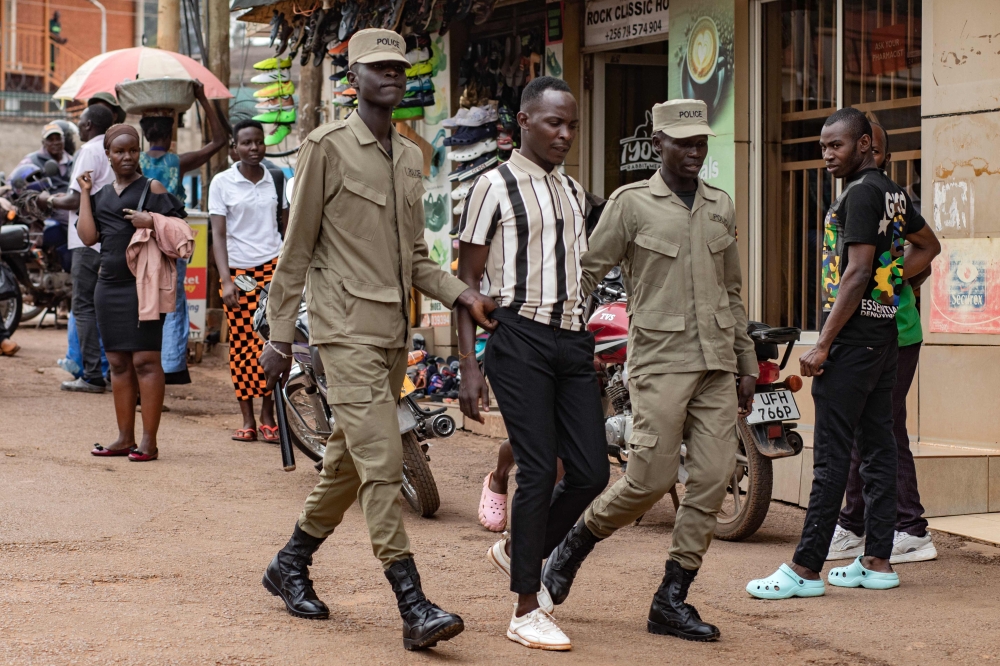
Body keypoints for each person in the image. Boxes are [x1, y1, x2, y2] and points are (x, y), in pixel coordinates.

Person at [258, 28, 497, 652]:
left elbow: (417, 257)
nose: (392, 75)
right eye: (379, 68)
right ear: (355, 79)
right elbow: (297, 249)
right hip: (342, 332)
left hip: (394, 333)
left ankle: (290, 563)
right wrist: (280, 333)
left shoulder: (412, 155)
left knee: (347, 459)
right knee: (383, 466)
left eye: (399, 67)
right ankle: (412, 603)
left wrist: (462, 294)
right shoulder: (327, 148)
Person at [539, 99, 757, 643]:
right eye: (682, 142)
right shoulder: (631, 204)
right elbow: (587, 274)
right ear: (657, 143)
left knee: (710, 481)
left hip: (715, 363)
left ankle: (671, 599)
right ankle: (569, 549)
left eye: (700, 141)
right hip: (660, 363)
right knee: (649, 481)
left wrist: (746, 360)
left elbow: (731, 291)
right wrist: (563, 342)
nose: (694, 151)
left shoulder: (719, 206)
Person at [746, 107, 941, 600]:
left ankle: (804, 569)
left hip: (852, 344)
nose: (827, 154)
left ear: (864, 146)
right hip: (884, 340)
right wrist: (892, 286)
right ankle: (877, 562)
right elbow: (927, 245)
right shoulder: (893, 193)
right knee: (877, 448)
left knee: (832, 459)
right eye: (823, 145)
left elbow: (856, 271)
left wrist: (824, 341)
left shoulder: (859, 194)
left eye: (837, 145)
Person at [457, 76, 609, 651]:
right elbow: (467, 281)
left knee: (592, 471)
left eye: (571, 123)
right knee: (538, 468)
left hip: (572, 341)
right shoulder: (491, 186)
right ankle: (525, 607)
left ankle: (518, 548)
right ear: (523, 121)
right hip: (517, 337)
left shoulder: (573, 191)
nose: (565, 134)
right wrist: (469, 367)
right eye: (553, 123)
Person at [827, 122, 938, 564]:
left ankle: (910, 528)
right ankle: (854, 524)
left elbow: (926, 251)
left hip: (892, 331)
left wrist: (885, 278)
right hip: (873, 330)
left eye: (840, 144)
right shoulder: (860, 197)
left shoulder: (885, 197)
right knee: (868, 429)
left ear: (876, 152)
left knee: (883, 430)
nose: (831, 153)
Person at [75, 124, 188, 462]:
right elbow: (88, 237)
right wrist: (83, 193)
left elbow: (181, 227)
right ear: (107, 155)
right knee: (118, 362)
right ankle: (124, 437)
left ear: (139, 152)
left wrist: (151, 220)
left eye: (132, 150)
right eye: (119, 151)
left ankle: (149, 441)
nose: (127, 157)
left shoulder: (151, 187)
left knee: (145, 360)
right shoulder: (101, 195)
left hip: (144, 286)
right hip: (107, 287)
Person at [136, 79, 228, 385]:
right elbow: (219, 141)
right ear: (170, 132)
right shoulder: (178, 162)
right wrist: (202, 98)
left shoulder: (132, 163)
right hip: (172, 241)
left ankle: (139, 368)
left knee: (140, 302)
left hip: (140, 241)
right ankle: (170, 366)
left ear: (144, 133)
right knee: (173, 305)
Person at [209, 119, 287, 443]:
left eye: (258, 142)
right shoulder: (222, 182)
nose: (253, 148)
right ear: (234, 149)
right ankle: (247, 418)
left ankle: (269, 414)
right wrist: (226, 280)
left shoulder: (277, 179)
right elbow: (218, 233)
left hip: (273, 270)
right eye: (246, 143)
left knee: (272, 343)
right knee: (242, 345)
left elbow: (284, 226)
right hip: (239, 275)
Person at [41, 104, 116, 393]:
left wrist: (46, 200)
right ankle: (112, 372)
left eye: (81, 122)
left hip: (87, 240)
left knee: (84, 307)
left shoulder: (89, 151)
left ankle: (92, 375)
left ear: (87, 126)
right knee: (107, 307)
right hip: (111, 239)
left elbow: (75, 200)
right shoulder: (115, 149)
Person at [19, 123, 74, 193]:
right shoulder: (31, 160)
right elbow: (15, 182)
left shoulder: (72, 161)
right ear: (43, 143)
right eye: (51, 140)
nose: (56, 143)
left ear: (64, 140)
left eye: (58, 138)